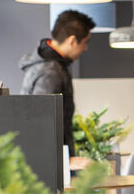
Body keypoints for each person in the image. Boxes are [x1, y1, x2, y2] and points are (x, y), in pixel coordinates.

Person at [20, 10, 94, 170]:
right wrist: (65, 162)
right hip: (48, 167)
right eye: (84, 42)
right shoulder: (50, 72)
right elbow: (41, 124)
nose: (85, 48)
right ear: (72, 40)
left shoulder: (53, 65)